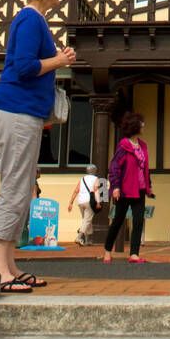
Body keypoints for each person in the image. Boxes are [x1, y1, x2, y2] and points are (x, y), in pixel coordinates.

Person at [0, 0, 75, 293]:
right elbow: (23, 68)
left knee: (23, 186)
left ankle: (9, 265)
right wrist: (60, 60)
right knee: (15, 186)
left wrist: (56, 58)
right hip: (16, 110)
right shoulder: (30, 20)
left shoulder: (34, 21)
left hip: (23, 113)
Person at [103, 111, 154, 264]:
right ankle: (107, 250)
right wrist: (115, 187)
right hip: (125, 189)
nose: (143, 126)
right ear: (134, 126)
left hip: (139, 189)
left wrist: (148, 186)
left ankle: (134, 253)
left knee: (138, 221)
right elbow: (114, 167)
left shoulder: (142, 146)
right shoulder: (124, 146)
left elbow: (144, 168)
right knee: (118, 220)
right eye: (140, 124)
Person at [67, 164, 100, 245]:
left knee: (86, 220)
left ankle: (88, 240)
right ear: (95, 171)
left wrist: (71, 202)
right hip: (89, 201)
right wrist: (98, 202)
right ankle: (79, 237)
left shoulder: (82, 179)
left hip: (80, 201)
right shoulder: (96, 179)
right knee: (87, 220)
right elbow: (96, 190)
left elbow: (76, 190)